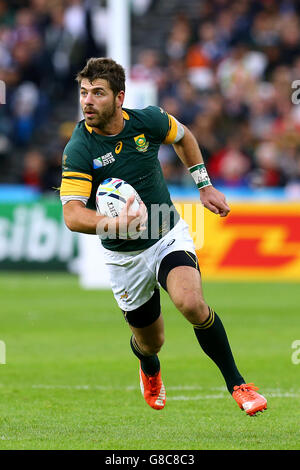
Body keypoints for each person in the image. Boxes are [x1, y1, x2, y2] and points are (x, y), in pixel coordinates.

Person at [60, 57, 267, 416]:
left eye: (97, 93)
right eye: (83, 93)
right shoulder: (80, 149)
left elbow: (184, 136)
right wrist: (114, 225)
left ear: (120, 97)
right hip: (123, 256)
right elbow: (72, 215)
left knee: (191, 303)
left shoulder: (148, 121)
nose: (87, 101)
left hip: (165, 233)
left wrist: (204, 185)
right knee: (151, 342)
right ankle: (149, 366)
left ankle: (239, 384)